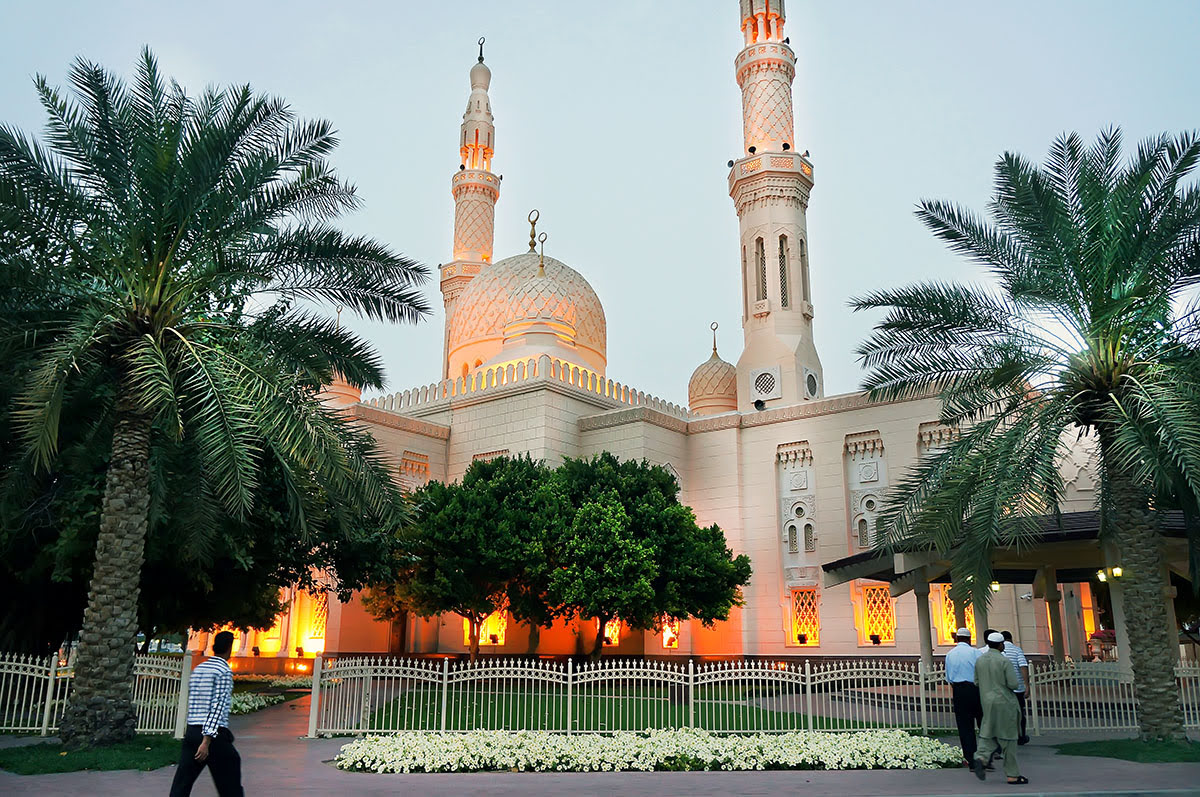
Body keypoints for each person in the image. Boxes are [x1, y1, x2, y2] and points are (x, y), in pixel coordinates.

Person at [170, 631, 244, 796]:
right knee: (230, 780)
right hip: (212, 737)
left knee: (182, 783)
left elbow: (194, 701)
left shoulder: (199, 669)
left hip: (192, 732)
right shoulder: (223, 671)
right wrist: (206, 741)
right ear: (229, 648)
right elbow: (217, 706)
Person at [973, 631, 1027, 785]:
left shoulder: (980, 660)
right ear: (1000, 644)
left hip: (987, 702)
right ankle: (1013, 774)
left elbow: (976, 681)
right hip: (1004, 702)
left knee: (988, 732)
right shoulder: (1004, 661)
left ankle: (981, 758)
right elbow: (1013, 684)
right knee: (1008, 738)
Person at [944, 627, 983, 767]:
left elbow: (948, 677)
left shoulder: (950, 654)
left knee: (965, 726)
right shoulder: (975, 652)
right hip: (976, 689)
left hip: (959, 691)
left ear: (957, 638)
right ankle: (986, 756)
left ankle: (971, 759)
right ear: (969, 638)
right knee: (983, 723)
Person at [1001, 630, 1031, 744]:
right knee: (1019, 714)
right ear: (1011, 639)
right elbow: (1023, 666)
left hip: (1004, 688)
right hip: (1018, 688)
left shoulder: (999, 651)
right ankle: (1021, 736)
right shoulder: (1017, 650)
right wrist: (1026, 685)